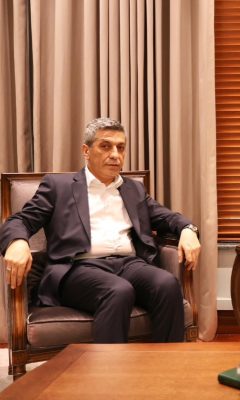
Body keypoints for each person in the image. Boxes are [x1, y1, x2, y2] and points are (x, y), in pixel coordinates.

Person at [0, 117, 201, 343]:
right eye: (105, 146)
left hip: (129, 264)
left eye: (120, 148)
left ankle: (165, 363)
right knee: (118, 290)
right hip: (78, 267)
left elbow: (167, 217)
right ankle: (107, 367)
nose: (115, 154)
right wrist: (17, 241)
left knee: (167, 284)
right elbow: (20, 220)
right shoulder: (59, 186)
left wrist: (188, 229)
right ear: (86, 151)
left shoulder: (133, 189)